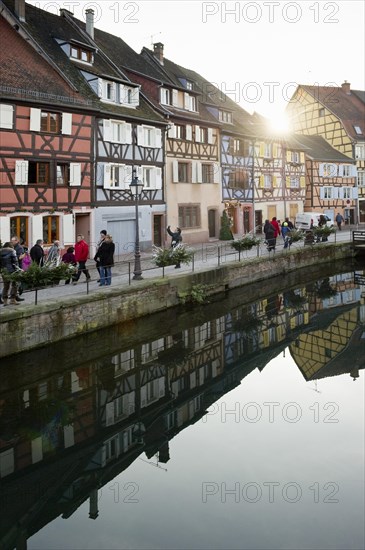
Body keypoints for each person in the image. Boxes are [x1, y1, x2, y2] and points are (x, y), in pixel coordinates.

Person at [10, 236, 25, 301]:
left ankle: (16, 295)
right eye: (11, 241)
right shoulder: (12, 247)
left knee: (16, 282)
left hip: (18, 267)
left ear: (17, 241)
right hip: (13, 266)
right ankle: (14, 296)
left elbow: (20, 257)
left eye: (12, 241)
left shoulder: (19, 248)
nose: (11, 242)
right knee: (14, 282)